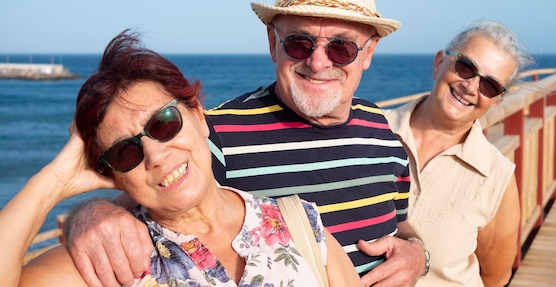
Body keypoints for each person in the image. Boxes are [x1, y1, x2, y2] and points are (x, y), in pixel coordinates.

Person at [64, 0, 429, 287]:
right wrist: (89, 214)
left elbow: (400, 221)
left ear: (368, 53)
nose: (318, 62)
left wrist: (417, 253)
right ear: (273, 42)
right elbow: (140, 199)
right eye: (299, 43)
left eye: (342, 47)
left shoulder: (379, 128)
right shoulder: (216, 134)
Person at [2, 31, 361, 287]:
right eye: (126, 151)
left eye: (163, 124)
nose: (155, 155)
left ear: (199, 115)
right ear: (113, 174)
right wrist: (50, 183)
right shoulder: (111, 264)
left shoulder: (300, 225)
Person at [385, 19, 535, 286]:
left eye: (489, 85)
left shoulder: (496, 177)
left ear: (497, 100)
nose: (471, 86)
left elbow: (495, 278)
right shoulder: (372, 132)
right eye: (466, 67)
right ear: (438, 62)